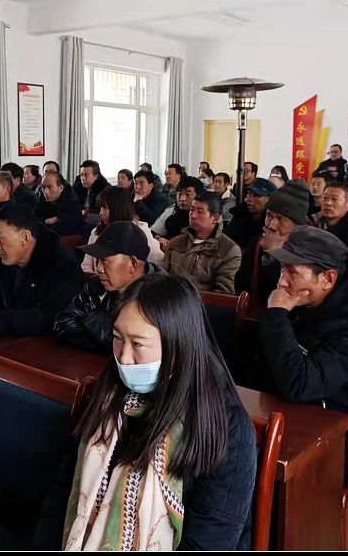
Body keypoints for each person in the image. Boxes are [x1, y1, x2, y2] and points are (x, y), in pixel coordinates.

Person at [43, 274, 256, 550]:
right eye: (117, 338)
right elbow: (61, 492)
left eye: (138, 344)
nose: (123, 357)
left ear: (179, 346)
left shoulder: (225, 424)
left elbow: (209, 541)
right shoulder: (108, 395)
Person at [256, 226, 348, 485]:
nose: (282, 282)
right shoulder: (303, 301)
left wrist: (276, 316)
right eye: (282, 269)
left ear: (328, 278)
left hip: (345, 436)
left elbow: (301, 385)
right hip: (295, 416)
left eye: (292, 272)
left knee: (260, 475)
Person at [0, 205, 84, 335]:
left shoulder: (61, 262)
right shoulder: (0, 255)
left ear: (25, 237)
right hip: (5, 337)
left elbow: (55, 317)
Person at [54, 221, 165, 352]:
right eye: (97, 260)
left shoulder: (164, 296)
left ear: (133, 264)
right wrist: (112, 341)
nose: (99, 268)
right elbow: (62, 324)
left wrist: (92, 324)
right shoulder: (97, 285)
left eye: (105, 260)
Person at [235, 179, 311, 309]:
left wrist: (277, 255)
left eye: (281, 219)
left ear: (297, 225)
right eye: (269, 215)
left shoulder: (309, 251)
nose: (272, 225)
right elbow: (241, 285)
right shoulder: (257, 244)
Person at [161, 191, 242, 294]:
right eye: (192, 210)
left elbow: (223, 294)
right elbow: (162, 279)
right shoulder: (175, 243)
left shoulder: (228, 250)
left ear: (215, 218)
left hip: (205, 303)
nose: (193, 215)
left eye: (199, 212)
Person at [81, 186, 162, 274]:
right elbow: (86, 266)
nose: (101, 213)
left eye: (105, 208)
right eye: (100, 208)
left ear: (118, 209)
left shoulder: (139, 231)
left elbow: (157, 259)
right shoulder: (97, 232)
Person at [152, 176, 205, 246]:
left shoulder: (207, 214)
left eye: (188, 194)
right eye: (179, 194)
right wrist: (158, 238)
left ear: (199, 195)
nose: (182, 199)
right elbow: (152, 232)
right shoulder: (171, 211)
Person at [223, 177, 276, 248]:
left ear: (269, 199)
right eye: (249, 193)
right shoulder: (239, 215)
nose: (249, 199)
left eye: (256, 195)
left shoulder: (272, 224)